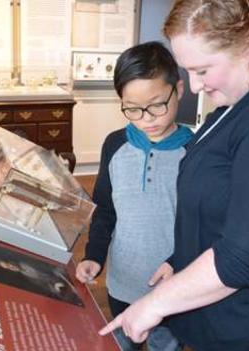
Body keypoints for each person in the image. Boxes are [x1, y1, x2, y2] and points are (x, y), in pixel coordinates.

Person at [99, 1, 249, 350]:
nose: (194, 86)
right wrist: (180, 260)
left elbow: (242, 256)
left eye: (203, 70)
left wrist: (153, 305)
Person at [75, 41, 193, 351]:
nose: (146, 118)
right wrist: (94, 255)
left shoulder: (196, 152)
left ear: (178, 89)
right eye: (132, 109)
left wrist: (177, 262)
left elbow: (199, 224)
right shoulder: (114, 145)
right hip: (122, 283)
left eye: (157, 104)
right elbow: (105, 210)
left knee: (165, 345)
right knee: (122, 344)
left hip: (173, 288)